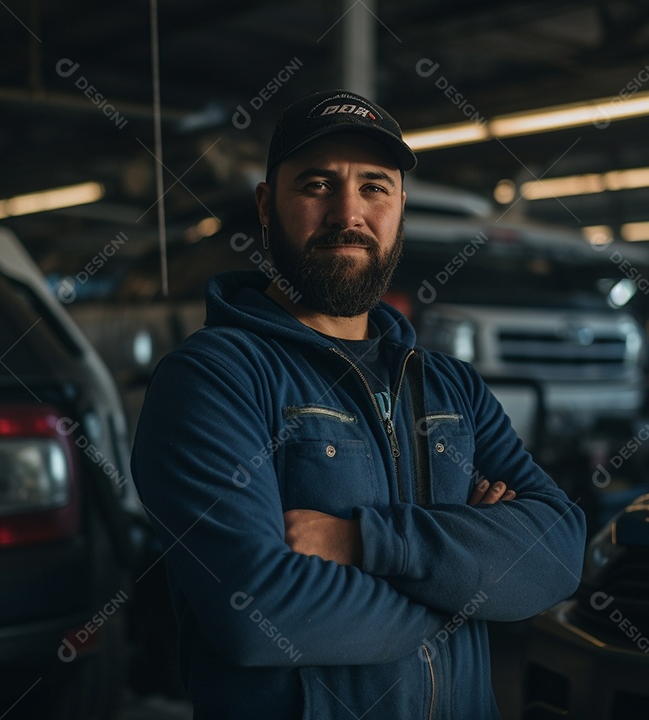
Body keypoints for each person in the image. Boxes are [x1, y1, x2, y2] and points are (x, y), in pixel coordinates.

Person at [131, 89, 586, 719]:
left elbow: (558, 554)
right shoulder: (214, 378)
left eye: (375, 187)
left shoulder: (450, 386)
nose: (349, 213)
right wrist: (470, 582)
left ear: (400, 205)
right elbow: (258, 613)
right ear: (267, 206)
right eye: (317, 184)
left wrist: (362, 543)